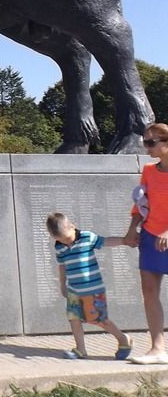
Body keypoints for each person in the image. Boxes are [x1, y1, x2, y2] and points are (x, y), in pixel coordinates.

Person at [46, 212, 132, 360]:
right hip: (74, 290)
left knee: (99, 320)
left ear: (72, 226)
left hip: (93, 289)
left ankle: (123, 339)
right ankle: (81, 349)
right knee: (74, 319)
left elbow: (105, 241)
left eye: (67, 238)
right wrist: (62, 285)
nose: (65, 242)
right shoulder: (59, 247)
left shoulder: (87, 237)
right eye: (60, 239)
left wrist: (124, 240)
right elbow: (62, 266)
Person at [123, 122, 168, 364]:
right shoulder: (149, 171)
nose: (147, 147)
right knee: (149, 292)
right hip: (151, 235)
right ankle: (157, 349)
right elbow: (142, 203)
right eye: (145, 142)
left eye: (151, 142)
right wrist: (132, 230)